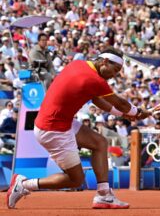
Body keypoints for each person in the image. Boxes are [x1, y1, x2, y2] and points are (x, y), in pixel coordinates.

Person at [7, 48, 151, 209]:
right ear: (104, 62)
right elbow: (122, 103)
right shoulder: (94, 80)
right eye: (115, 69)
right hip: (53, 129)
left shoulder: (78, 65)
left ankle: (104, 195)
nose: (115, 75)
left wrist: (122, 114)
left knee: (100, 143)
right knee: (75, 180)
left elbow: (95, 98)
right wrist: (137, 113)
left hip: (59, 122)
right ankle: (24, 184)